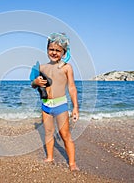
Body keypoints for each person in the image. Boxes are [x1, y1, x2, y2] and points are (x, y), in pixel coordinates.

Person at [31, 32, 80, 171]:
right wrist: (35, 82)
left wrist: (75, 107)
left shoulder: (66, 67)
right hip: (46, 104)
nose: (54, 52)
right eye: (51, 49)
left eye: (58, 50)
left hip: (60, 105)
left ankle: (72, 163)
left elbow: (71, 87)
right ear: (47, 49)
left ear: (64, 52)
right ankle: (50, 157)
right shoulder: (42, 68)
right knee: (48, 132)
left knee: (65, 135)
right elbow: (34, 85)